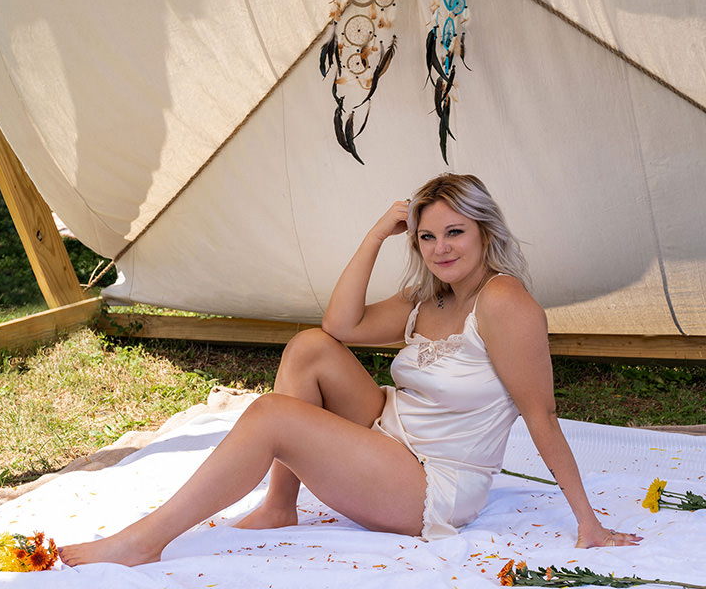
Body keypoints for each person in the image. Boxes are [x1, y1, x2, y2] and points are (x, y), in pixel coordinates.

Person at [59, 173, 640, 567]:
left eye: (455, 232)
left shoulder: (505, 302)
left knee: (271, 415)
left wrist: (587, 523)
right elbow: (339, 325)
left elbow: (542, 415)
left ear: (486, 231)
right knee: (309, 347)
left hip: (432, 480)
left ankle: (145, 540)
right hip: (389, 433)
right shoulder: (428, 295)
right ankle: (279, 504)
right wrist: (374, 236)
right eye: (427, 236)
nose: (441, 248)